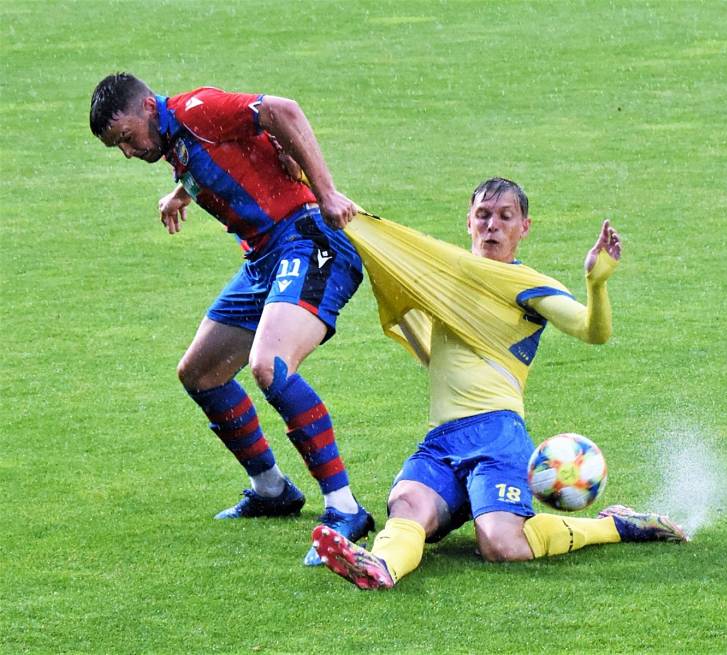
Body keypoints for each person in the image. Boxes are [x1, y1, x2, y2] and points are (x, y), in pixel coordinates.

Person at [311, 177, 687, 589]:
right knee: (408, 508)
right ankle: (381, 566)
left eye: (505, 216)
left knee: (501, 545)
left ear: (524, 226)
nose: (493, 225)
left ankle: (613, 526)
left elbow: (592, 331)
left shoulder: (526, 286)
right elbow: (387, 247)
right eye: (483, 215)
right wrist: (319, 188)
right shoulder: (442, 275)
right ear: (468, 223)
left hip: (497, 435)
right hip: (441, 439)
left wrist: (596, 285)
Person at [89, 72, 373, 565]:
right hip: (265, 260)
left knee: (270, 366)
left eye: (127, 139)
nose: (128, 153)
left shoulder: (197, 109)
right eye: (118, 147)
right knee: (200, 374)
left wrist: (327, 192)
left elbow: (283, 110)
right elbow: (228, 155)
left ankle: (345, 507)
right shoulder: (176, 138)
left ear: (148, 109)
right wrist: (183, 191)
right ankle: (271, 489)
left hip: (310, 240)